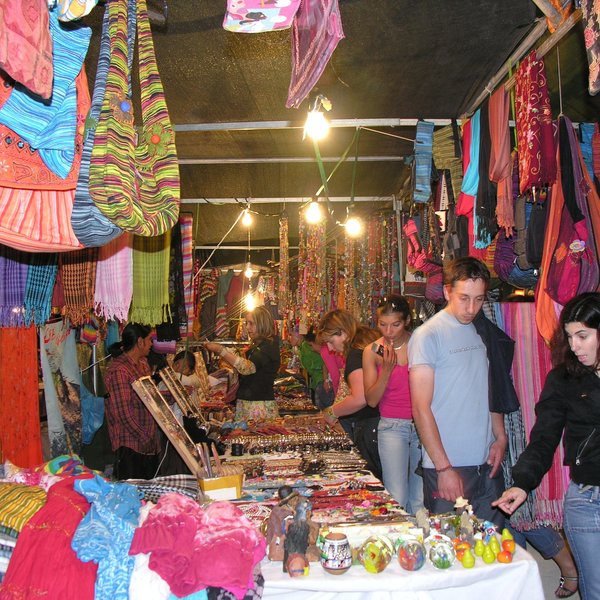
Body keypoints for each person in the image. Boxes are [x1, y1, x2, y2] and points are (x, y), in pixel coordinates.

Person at [493, 292, 600, 600]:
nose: (575, 346)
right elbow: (543, 437)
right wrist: (522, 483)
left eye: (583, 335)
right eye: (570, 337)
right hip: (587, 500)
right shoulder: (565, 378)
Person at [408, 257, 507, 526]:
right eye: (464, 298)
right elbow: (420, 407)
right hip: (448, 465)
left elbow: (489, 387)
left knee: (492, 549)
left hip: (487, 461)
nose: (471, 307)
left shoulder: (482, 330)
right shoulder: (428, 335)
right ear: (447, 291)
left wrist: (500, 437)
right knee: (449, 553)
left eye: (478, 299)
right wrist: (443, 467)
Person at [363, 295, 424, 513]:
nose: (389, 331)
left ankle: (419, 543)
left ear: (407, 321)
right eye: (383, 325)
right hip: (391, 426)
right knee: (396, 495)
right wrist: (386, 370)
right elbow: (371, 400)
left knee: (420, 499)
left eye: (395, 324)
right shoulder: (372, 351)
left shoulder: (420, 342)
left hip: (422, 424)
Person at [317, 309, 382, 481]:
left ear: (343, 332)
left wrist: (331, 412)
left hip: (373, 427)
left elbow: (360, 398)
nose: (330, 348)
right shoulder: (372, 342)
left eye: (331, 341)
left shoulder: (356, 352)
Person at [204, 305, 281, 421]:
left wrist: (220, 350)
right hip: (250, 404)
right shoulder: (259, 346)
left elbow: (247, 368)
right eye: (247, 323)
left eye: (251, 323)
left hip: (259, 408)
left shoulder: (269, 347)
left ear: (262, 324)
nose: (248, 328)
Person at [104, 323, 160, 480]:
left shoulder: (142, 364)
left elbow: (149, 396)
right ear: (140, 341)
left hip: (149, 442)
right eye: (150, 340)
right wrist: (144, 437)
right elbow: (123, 412)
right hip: (130, 445)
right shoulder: (119, 371)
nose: (151, 344)